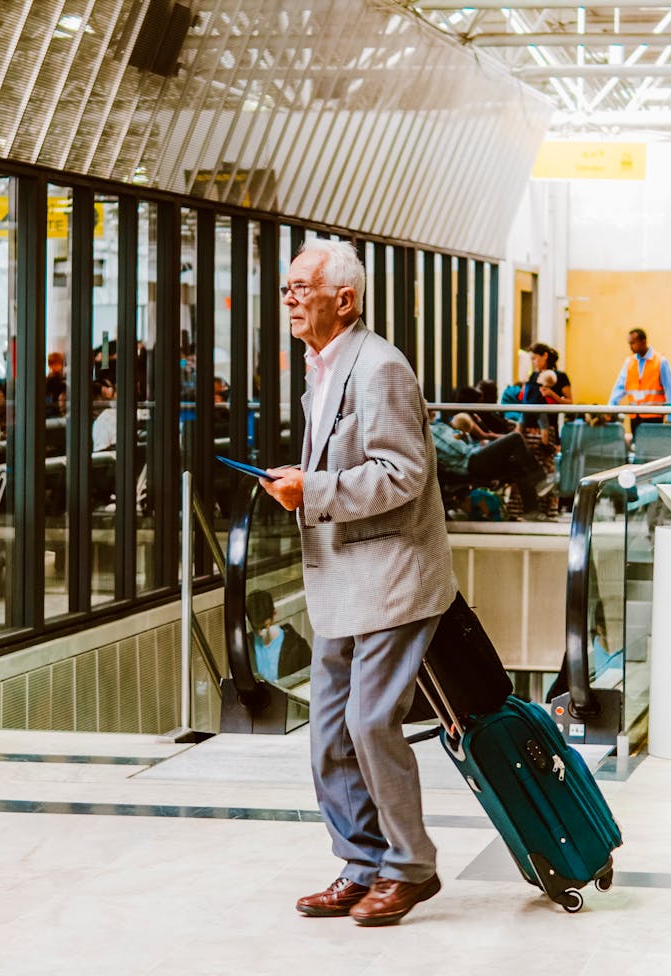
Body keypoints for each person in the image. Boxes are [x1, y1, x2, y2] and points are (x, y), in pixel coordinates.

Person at [259, 239, 455, 927]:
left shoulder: (380, 369)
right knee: (329, 734)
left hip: (393, 576)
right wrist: (305, 478)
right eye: (286, 288)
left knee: (371, 723)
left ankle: (410, 868)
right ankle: (361, 862)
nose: (288, 299)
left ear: (344, 299)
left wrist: (313, 488)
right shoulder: (323, 367)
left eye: (300, 287)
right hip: (341, 576)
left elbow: (403, 474)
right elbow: (348, 461)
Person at [430, 416, 553, 519]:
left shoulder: (438, 426)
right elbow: (459, 450)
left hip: (472, 458)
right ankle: (539, 480)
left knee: (516, 462)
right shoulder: (431, 431)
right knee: (515, 438)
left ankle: (532, 510)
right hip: (470, 462)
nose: (433, 411)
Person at [512, 342, 572, 519]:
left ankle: (546, 510)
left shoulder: (560, 376)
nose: (533, 362)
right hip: (528, 427)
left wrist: (551, 394)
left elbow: (570, 402)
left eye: (535, 358)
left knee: (546, 470)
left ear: (545, 356)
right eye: (531, 359)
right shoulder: (533, 377)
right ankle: (523, 509)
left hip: (547, 429)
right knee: (524, 468)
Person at [609, 328, 671, 437]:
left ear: (643, 341)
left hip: (654, 417)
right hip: (635, 416)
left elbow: (670, 389)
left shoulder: (660, 361)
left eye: (633, 343)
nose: (630, 346)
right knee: (638, 448)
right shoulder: (629, 362)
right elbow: (619, 387)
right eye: (629, 343)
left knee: (652, 448)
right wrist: (610, 408)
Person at [245, 589, 311, 682]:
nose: (260, 633)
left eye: (264, 627)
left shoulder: (298, 646)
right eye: (256, 628)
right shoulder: (245, 646)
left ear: (274, 613)